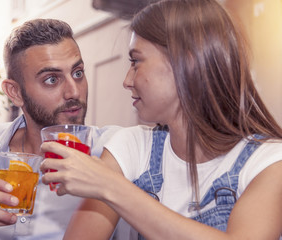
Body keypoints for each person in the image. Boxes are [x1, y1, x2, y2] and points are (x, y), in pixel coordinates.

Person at [40, 0, 282, 239]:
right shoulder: (132, 145)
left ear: (187, 61)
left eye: (136, 61)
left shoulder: (269, 161)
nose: (127, 80)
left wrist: (108, 185)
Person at [0, 18, 120, 239]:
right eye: (52, 79)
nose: (74, 92)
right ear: (14, 92)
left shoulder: (114, 150)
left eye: (77, 73)